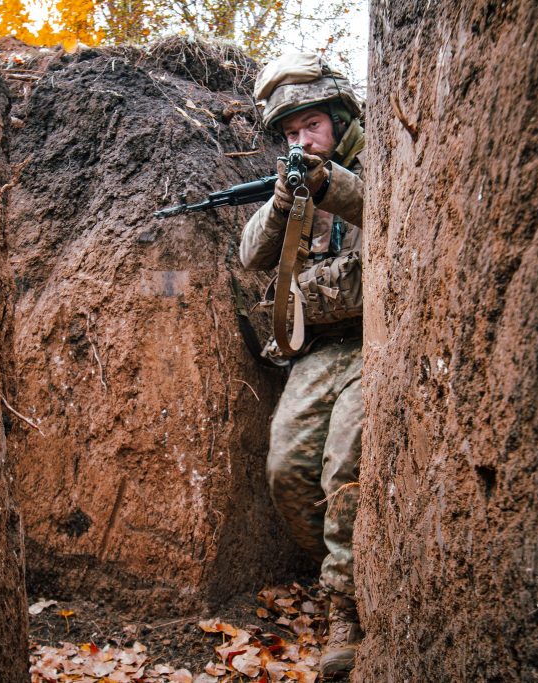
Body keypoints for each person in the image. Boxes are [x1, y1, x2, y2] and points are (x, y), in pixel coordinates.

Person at [240, 52, 366, 676]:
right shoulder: (294, 181)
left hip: (381, 340)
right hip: (321, 347)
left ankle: (346, 608)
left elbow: (393, 212)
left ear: (340, 120)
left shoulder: (380, 160)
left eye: (310, 125)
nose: (301, 140)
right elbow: (251, 255)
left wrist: (330, 185)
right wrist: (287, 197)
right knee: (287, 468)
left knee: (345, 460)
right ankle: (344, 568)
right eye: (289, 134)